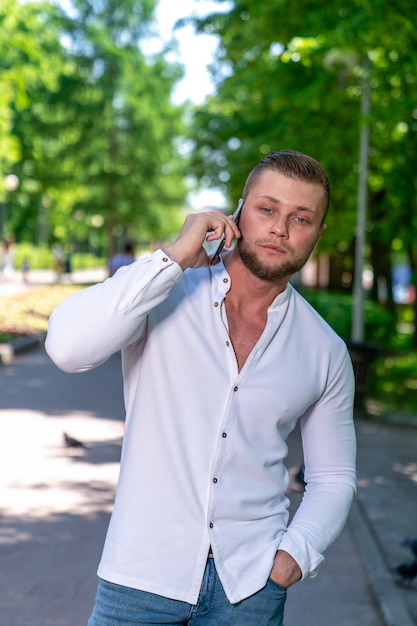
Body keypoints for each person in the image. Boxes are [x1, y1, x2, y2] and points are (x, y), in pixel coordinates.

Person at [45, 150, 356, 626]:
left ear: (318, 233)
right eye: (267, 209)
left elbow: (334, 478)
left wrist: (293, 558)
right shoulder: (165, 292)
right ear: (237, 213)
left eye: (301, 218)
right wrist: (171, 258)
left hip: (250, 590)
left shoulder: (325, 350)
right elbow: (67, 348)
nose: (280, 229)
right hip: (141, 578)